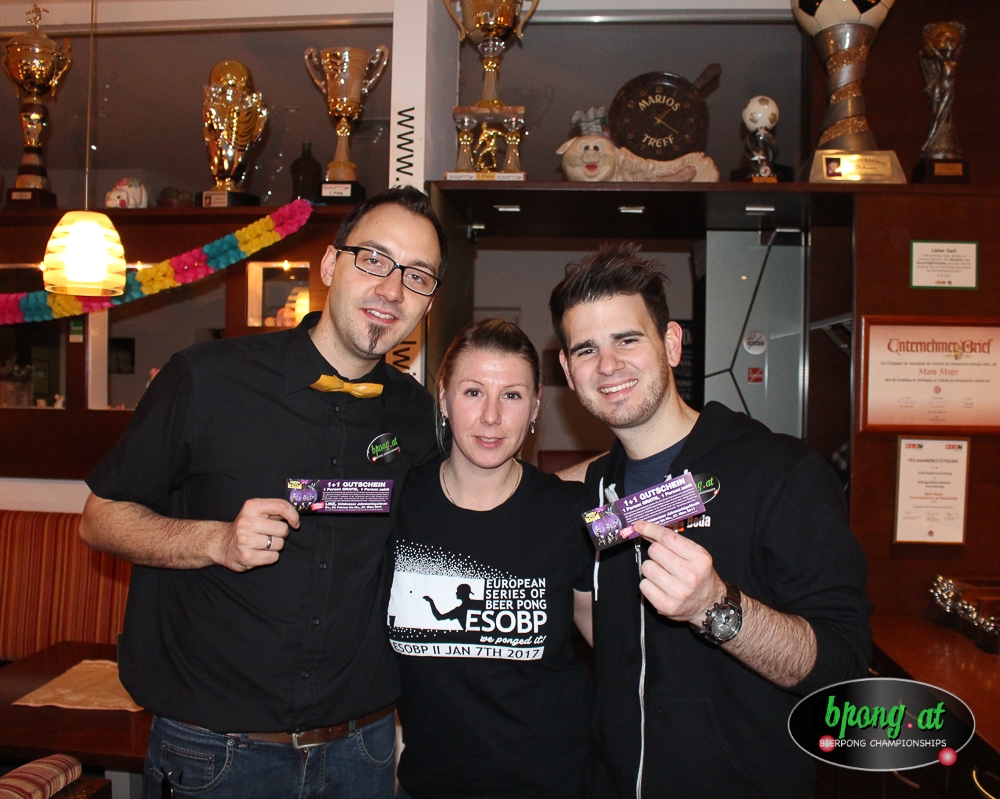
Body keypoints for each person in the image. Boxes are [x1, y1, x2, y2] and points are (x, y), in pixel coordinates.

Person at [79, 186, 447, 799]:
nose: (392, 289)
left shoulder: (416, 417)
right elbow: (98, 518)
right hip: (214, 756)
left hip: (361, 752)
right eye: (374, 259)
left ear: (428, 300)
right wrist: (216, 540)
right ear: (330, 264)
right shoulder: (207, 379)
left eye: (417, 275)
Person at [549, 242, 872, 798]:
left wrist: (716, 608)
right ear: (568, 372)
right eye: (586, 350)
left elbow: (844, 670)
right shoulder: (597, 490)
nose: (608, 366)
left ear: (671, 344)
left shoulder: (780, 473)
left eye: (627, 339)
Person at [386, 319, 594, 799]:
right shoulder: (399, 504)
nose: (491, 417)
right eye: (474, 392)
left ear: (536, 406)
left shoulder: (569, 514)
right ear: (443, 397)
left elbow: (621, 648)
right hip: (427, 785)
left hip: (552, 783)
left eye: (512, 396)